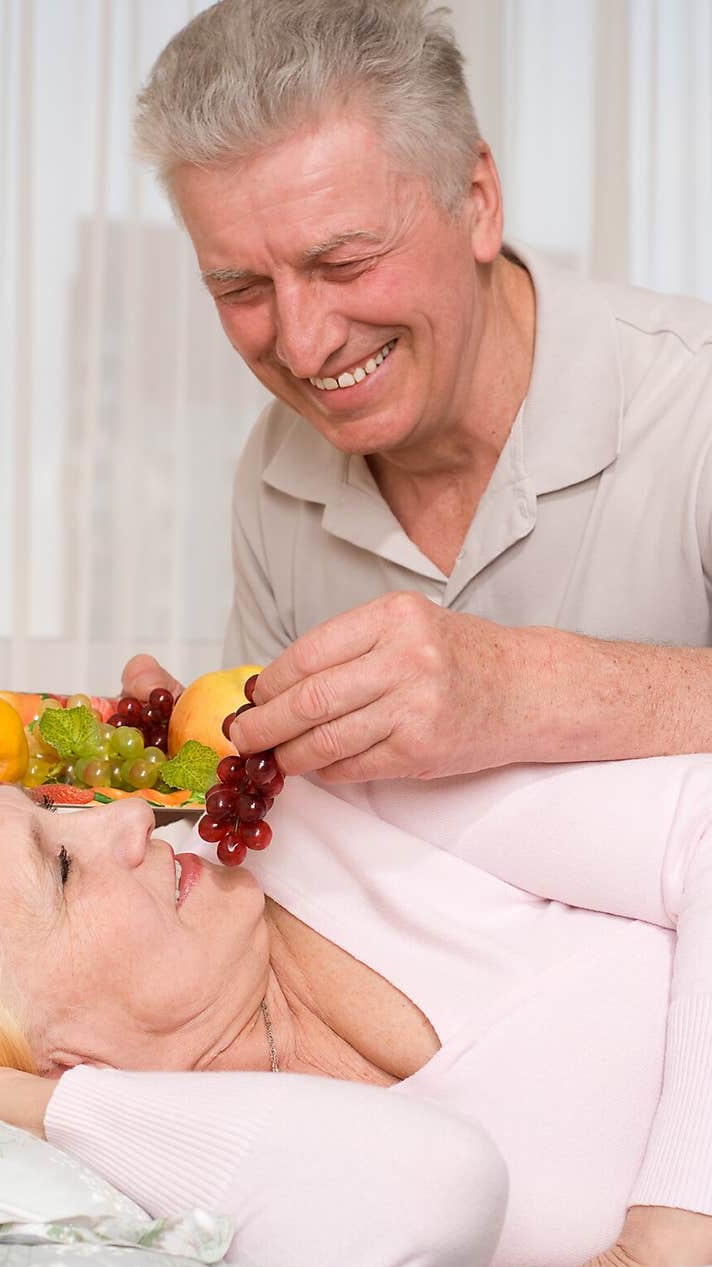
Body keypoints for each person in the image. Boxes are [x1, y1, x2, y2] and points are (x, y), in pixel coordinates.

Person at [0, 741, 712, 1267]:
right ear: (44, 1052)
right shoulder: (163, 1185)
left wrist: (678, 1226)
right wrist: (36, 1108)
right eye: (62, 870)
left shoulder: (316, 803)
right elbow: (435, 1185)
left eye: (51, 811)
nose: (134, 818)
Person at [122, 0, 712, 784]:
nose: (302, 345)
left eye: (345, 264)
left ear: (476, 201)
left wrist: (526, 689)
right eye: (241, 288)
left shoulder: (695, 396)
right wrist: (207, 767)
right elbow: (303, 850)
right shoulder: (273, 469)